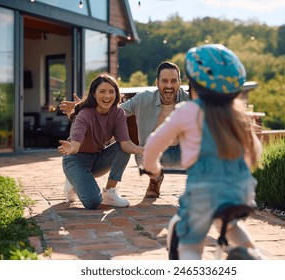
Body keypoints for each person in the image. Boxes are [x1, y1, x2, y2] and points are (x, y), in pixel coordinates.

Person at [142, 44, 264, 260]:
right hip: (241, 191)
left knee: (191, 244)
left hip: (203, 192)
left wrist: (152, 168)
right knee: (230, 226)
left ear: (193, 87)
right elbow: (255, 149)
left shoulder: (187, 111)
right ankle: (255, 256)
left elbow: (154, 143)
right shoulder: (237, 115)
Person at [60, 61, 190, 199]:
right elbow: (114, 110)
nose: (169, 85)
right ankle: (155, 180)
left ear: (179, 82)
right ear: (157, 82)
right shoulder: (143, 99)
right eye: (164, 81)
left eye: (173, 81)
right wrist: (84, 107)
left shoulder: (192, 101)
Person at [58, 73, 143, 209]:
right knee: (93, 203)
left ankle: (109, 192)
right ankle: (73, 180)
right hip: (76, 160)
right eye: (102, 91)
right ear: (94, 93)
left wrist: (141, 150)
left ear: (116, 94)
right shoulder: (84, 115)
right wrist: (71, 148)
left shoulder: (118, 113)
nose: (107, 96)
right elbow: (75, 143)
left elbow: (125, 144)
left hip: (97, 159)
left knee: (121, 148)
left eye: (111, 91)